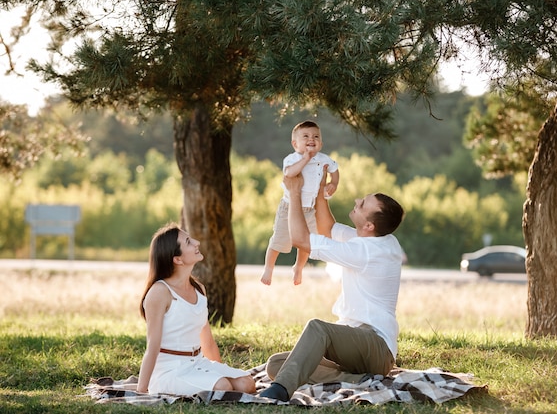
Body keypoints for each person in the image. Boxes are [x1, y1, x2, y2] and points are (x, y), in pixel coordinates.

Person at [259, 169, 405, 402]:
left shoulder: (366, 251)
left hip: (376, 345)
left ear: (368, 225)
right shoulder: (379, 239)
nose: (357, 201)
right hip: (354, 346)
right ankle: (355, 379)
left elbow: (300, 240)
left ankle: (281, 391)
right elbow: (328, 228)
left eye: (363, 203)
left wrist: (295, 194)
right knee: (277, 364)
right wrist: (319, 192)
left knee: (318, 328)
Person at [137, 223, 256, 395]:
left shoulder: (199, 289)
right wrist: (141, 390)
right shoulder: (159, 292)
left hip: (198, 363)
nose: (197, 242)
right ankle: (219, 387)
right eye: (188, 242)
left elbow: (206, 340)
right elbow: (152, 346)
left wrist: (219, 370)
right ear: (177, 259)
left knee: (247, 384)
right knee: (223, 388)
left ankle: (220, 385)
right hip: (170, 372)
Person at [261, 120, 340, 286]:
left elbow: (334, 169)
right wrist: (305, 158)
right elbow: (289, 173)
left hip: (309, 209)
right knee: (278, 240)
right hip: (289, 208)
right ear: (295, 143)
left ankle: (298, 267)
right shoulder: (292, 159)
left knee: (306, 242)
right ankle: (269, 268)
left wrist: (334, 183)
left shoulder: (324, 158)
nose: (311, 139)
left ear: (321, 143)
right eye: (306, 136)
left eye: (316, 136)